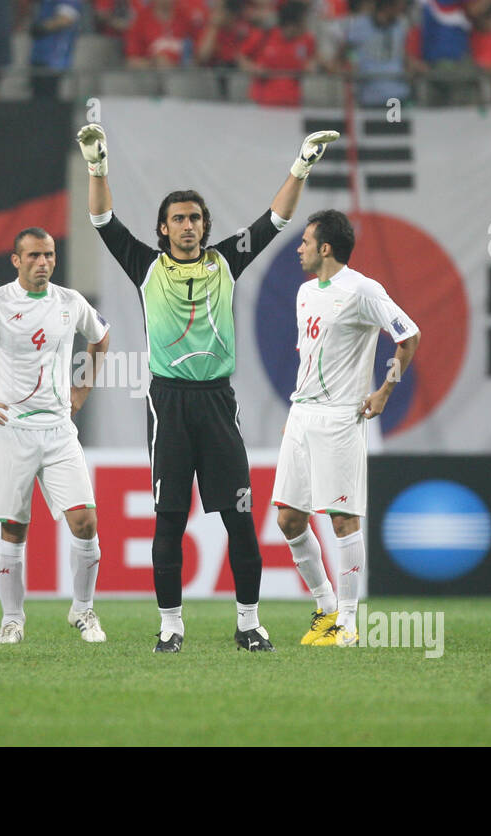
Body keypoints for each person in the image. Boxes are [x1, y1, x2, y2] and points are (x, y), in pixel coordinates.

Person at [77, 121, 338, 653]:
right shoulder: (146, 266)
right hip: (168, 403)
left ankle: (248, 624)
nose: (189, 226)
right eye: (178, 219)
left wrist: (301, 165)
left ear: (204, 225)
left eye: (195, 218)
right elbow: (101, 219)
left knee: (239, 520)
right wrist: (97, 166)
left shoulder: (226, 260)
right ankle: (171, 627)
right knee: (170, 519)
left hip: (218, 402)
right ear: (164, 229)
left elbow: (276, 219)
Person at [0, 228, 111, 645]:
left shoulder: (70, 302)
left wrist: (82, 388)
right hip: (11, 431)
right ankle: (12, 620)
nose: (43, 263)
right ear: (16, 260)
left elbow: (101, 337)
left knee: (85, 522)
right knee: (14, 528)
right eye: (33, 256)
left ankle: (83, 611)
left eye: (49, 255)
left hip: (58, 431)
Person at [272, 210, 420, 648]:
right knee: (288, 518)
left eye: (305, 241)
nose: (298, 248)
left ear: (326, 248)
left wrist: (385, 392)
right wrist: (293, 416)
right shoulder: (303, 293)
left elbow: (408, 335)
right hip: (302, 415)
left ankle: (350, 626)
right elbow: (309, 360)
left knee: (341, 519)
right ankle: (326, 608)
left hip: (340, 417)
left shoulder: (362, 290)